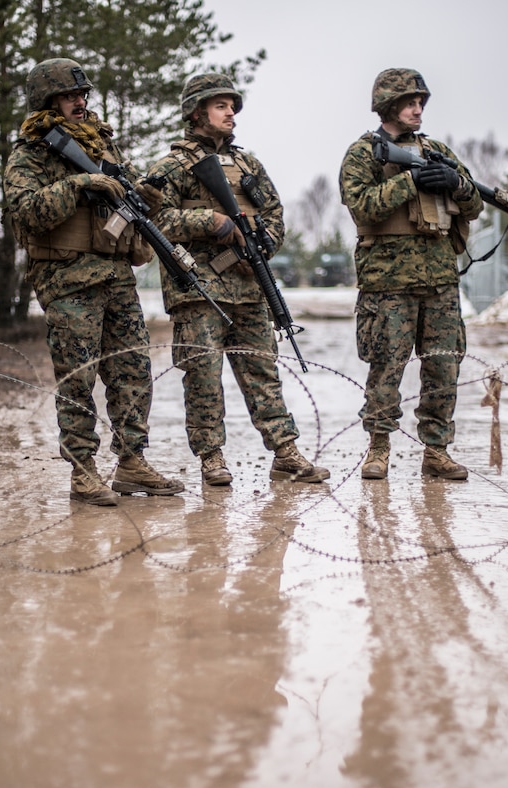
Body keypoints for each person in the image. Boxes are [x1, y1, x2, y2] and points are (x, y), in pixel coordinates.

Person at [4, 58, 185, 505]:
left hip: (116, 278)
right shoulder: (30, 154)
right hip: (68, 283)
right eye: (70, 96)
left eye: (82, 95)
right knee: (78, 378)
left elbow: (122, 201)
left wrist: (143, 196)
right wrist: (81, 183)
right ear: (48, 100)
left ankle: (131, 463)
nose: (80, 103)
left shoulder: (104, 146)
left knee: (133, 372)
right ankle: (83, 472)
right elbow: (26, 211)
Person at [146, 73, 329, 486]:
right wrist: (209, 221)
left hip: (249, 288)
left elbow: (276, 215)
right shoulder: (172, 166)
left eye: (233, 107)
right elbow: (154, 220)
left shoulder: (248, 164)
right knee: (204, 376)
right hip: (198, 290)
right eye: (221, 106)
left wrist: (261, 247)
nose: (231, 114)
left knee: (263, 373)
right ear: (197, 112)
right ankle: (212, 457)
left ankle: (285, 451)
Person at [339, 68, 483, 480]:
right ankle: (379, 448)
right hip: (387, 283)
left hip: (439, 279)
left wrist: (456, 182)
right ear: (389, 105)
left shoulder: (436, 150)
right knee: (386, 367)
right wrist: (410, 180)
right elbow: (362, 206)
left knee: (443, 367)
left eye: (421, 102)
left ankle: (436, 451)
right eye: (410, 102)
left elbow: (473, 206)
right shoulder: (363, 153)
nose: (418, 109)